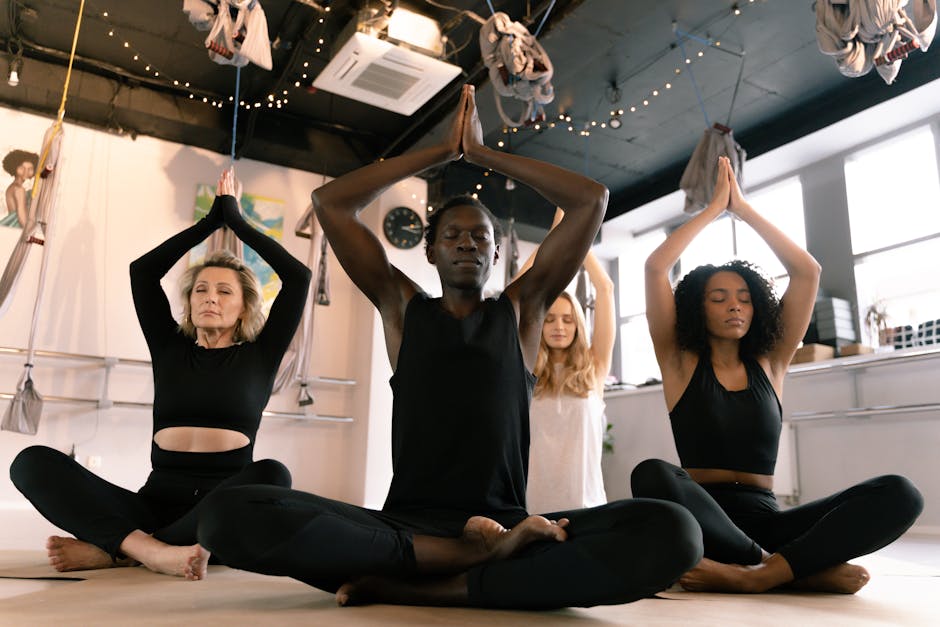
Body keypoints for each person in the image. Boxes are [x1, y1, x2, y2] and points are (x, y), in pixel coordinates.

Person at [196, 85, 702, 610]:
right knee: (226, 515)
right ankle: (476, 564)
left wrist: (482, 154)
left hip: (504, 520)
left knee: (674, 530)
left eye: (480, 237)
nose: (467, 243)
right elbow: (331, 203)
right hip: (405, 527)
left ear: (496, 251)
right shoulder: (400, 306)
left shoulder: (523, 311)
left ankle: (433, 582)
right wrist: (441, 152)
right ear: (431, 251)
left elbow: (590, 200)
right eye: (453, 236)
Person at [632, 155, 923, 594]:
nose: (735, 305)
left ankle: (759, 572)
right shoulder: (679, 360)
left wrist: (743, 209)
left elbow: (808, 271)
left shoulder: (772, 362)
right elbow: (656, 268)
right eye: (719, 298)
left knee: (901, 493)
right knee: (652, 473)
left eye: (745, 298)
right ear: (697, 307)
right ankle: (778, 567)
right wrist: (713, 210)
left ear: (757, 308)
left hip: (768, 518)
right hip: (704, 516)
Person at [10, 168, 311, 580]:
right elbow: (143, 272)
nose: (210, 297)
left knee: (274, 475)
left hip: (217, 505)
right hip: (151, 503)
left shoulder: (260, 355)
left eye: (225, 291)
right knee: (31, 463)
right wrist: (209, 222)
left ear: (245, 307)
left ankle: (123, 550)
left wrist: (236, 222)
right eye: (200, 289)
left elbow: (298, 277)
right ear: (188, 302)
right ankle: (149, 548)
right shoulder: (170, 347)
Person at [518, 207, 615, 513]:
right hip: (534, 507)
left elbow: (605, 288)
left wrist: (577, 232)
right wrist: (552, 238)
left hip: (587, 505)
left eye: (567, 320)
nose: (559, 327)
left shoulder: (594, 369)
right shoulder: (526, 369)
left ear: (578, 325)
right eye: (549, 320)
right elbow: (516, 290)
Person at [2, 149, 38, 228]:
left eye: (30, 169)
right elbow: (21, 215)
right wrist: (28, 231)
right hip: (17, 226)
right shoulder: (19, 189)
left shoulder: (12, 187)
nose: (26, 172)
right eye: (22, 168)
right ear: (14, 168)